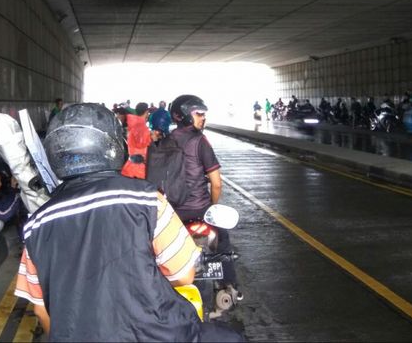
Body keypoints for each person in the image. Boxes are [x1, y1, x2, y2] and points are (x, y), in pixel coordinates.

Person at [17, 103, 243, 341]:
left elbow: (41, 309)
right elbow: (184, 275)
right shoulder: (147, 199)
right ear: (113, 146)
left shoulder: (36, 225)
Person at [169, 95, 241, 299]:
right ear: (183, 115)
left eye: (203, 114)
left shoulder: (164, 143)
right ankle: (229, 286)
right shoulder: (200, 141)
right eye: (198, 113)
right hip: (201, 208)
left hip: (173, 214)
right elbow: (216, 183)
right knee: (224, 243)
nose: (202, 118)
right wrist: (212, 208)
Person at [121, 102, 160, 179]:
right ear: (146, 112)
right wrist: (154, 140)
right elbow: (144, 147)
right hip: (139, 170)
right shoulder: (141, 128)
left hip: (131, 168)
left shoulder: (133, 125)